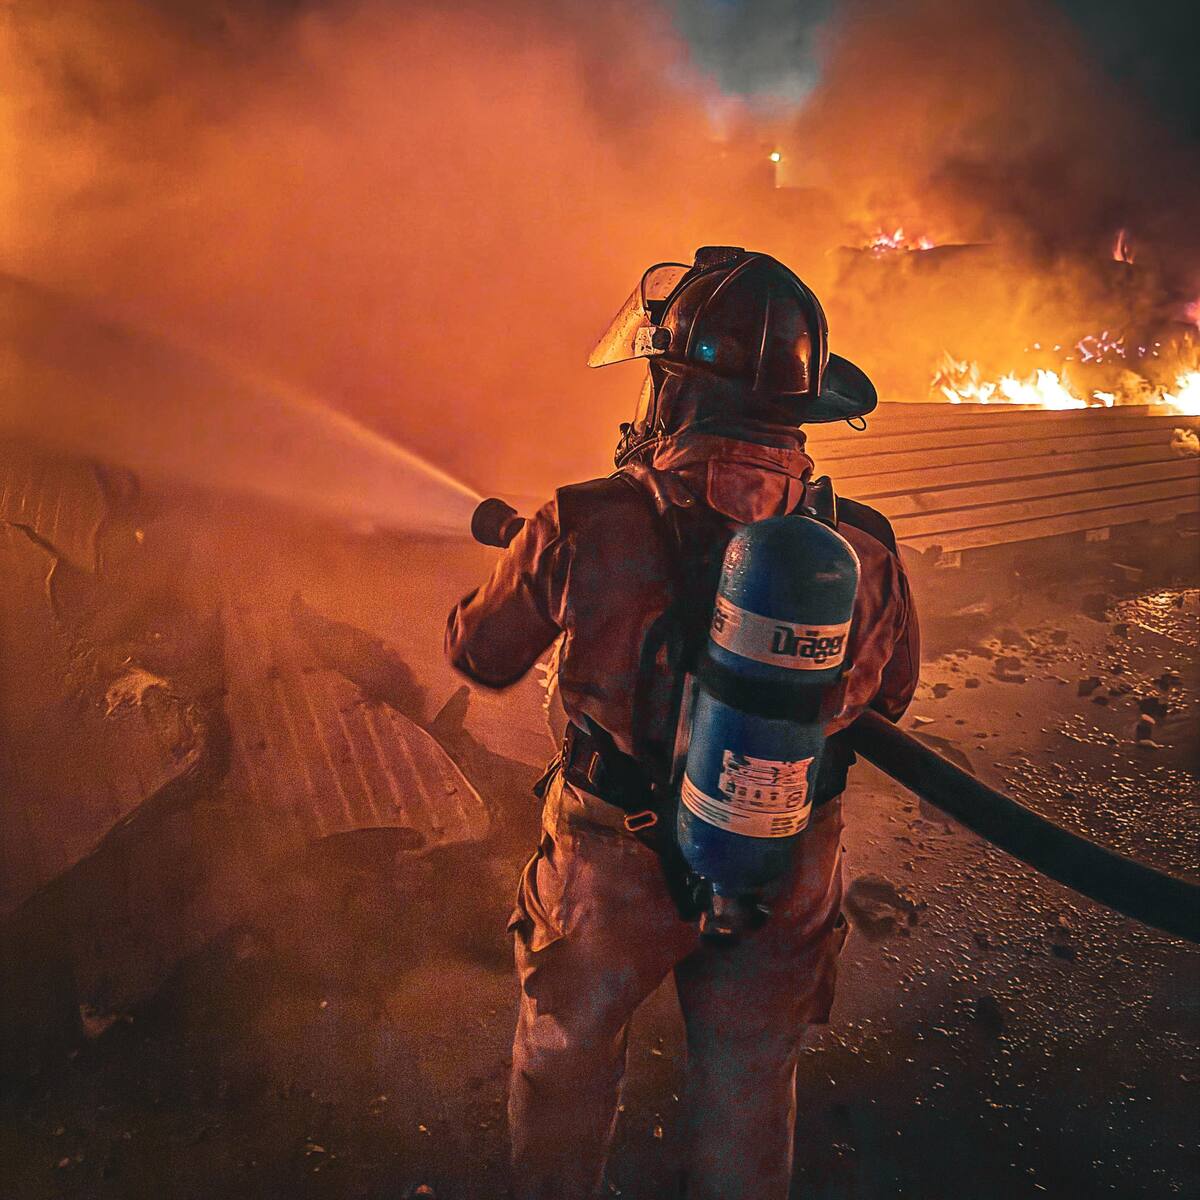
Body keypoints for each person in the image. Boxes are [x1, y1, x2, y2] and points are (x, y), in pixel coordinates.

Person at [445, 246, 919, 1200]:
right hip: (788, 856)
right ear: (803, 405)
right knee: (750, 1093)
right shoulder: (860, 544)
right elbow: (895, 695)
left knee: (565, 1067)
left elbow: (480, 656)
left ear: (673, 389)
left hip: (610, 862)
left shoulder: (583, 519)